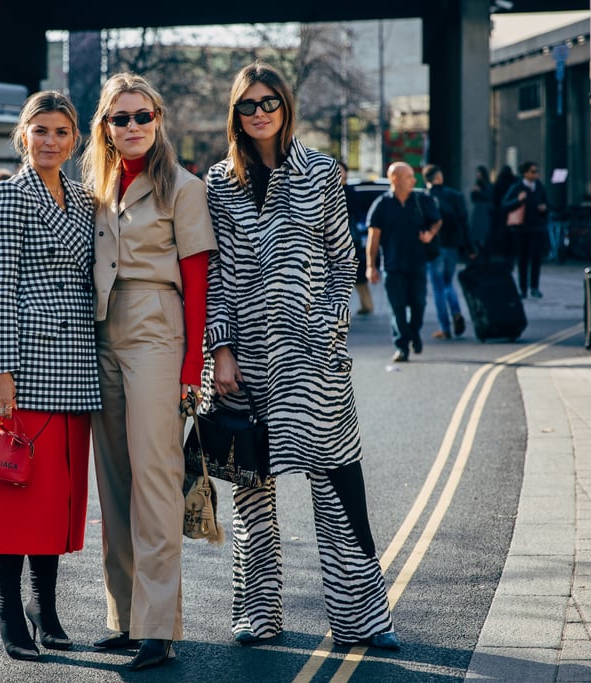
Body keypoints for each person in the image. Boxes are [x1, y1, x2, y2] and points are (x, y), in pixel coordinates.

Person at [205, 61, 399, 651]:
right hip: (248, 361)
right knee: (252, 488)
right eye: (248, 105)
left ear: (286, 107)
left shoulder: (319, 171)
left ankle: (361, 619)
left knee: (339, 484)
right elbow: (215, 274)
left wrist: (330, 328)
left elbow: (344, 262)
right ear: (235, 114)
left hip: (314, 358)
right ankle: (258, 616)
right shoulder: (218, 182)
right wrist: (221, 350)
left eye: (269, 102)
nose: (259, 112)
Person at [80, 72, 216, 672]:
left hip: (159, 327)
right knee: (113, 479)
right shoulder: (96, 184)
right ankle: (127, 616)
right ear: (105, 128)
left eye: (141, 116)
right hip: (102, 327)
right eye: (120, 118)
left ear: (158, 119)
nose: (132, 127)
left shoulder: (183, 188)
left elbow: (197, 281)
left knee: (155, 477)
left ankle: (159, 627)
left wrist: (194, 366)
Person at [0, 90, 101, 662]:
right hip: (20, 372)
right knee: (13, 494)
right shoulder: (5, 200)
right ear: (23, 136)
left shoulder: (83, 198)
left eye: (62, 132)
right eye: (41, 130)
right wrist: (1, 372)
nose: (51, 141)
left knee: (52, 502)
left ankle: (44, 606)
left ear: (76, 141)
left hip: (74, 371)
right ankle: (8, 607)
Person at [366, 161, 442, 362]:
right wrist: (370, 266)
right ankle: (401, 347)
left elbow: (437, 220)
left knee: (418, 305)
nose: (413, 180)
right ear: (394, 179)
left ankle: (413, 333)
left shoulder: (421, 200)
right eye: (409, 176)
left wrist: (430, 235)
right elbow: (373, 238)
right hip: (392, 266)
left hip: (417, 264)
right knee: (397, 308)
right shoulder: (381, 205)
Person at [423, 164, 471, 339]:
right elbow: (464, 222)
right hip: (452, 245)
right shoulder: (455, 196)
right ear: (439, 177)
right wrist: (469, 246)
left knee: (437, 287)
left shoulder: (425, 197)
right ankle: (456, 312)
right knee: (448, 283)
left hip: (434, 246)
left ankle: (445, 327)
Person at [502, 161, 549, 298]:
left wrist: (544, 209)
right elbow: (505, 204)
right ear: (525, 173)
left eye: (536, 171)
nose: (535, 174)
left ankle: (534, 287)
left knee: (536, 259)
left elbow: (547, 203)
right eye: (532, 171)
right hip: (521, 229)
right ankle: (523, 288)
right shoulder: (517, 187)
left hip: (537, 227)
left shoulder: (540, 187)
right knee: (522, 259)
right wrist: (518, 200)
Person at [339, 159, 374, 315]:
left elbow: (357, 215)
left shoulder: (350, 192)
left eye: (341, 170)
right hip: (333, 241)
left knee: (358, 274)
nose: (339, 173)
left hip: (351, 239)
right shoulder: (325, 191)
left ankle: (367, 304)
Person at [489, 164, 516, 263]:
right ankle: (509, 254)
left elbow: (495, 198)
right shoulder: (513, 182)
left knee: (502, 234)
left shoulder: (499, 182)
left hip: (501, 213)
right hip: (512, 212)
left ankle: (501, 253)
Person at [470, 165, 493, 256]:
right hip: (478, 210)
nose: (478, 175)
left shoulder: (488, 185)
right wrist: (474, 191)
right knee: (476, 236)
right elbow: (473, 198)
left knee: (484, 235)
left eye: (479, 173)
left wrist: (479, 191)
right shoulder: (477, 184)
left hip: (485, 211)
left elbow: (489, 196)